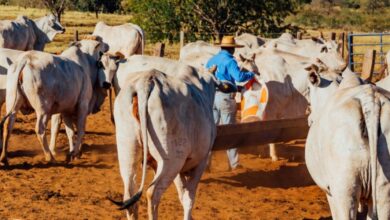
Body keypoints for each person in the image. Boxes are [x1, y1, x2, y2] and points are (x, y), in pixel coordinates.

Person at [206, 36, 258, 170]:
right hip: (225, 97)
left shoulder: (211, 60)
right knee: (230, 131)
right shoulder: (230, 61)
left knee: (210, 131)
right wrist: (251, 74)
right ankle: (234, 164)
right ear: (231, 49)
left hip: (211, 97)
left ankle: (205, 163)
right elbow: (239, 77)